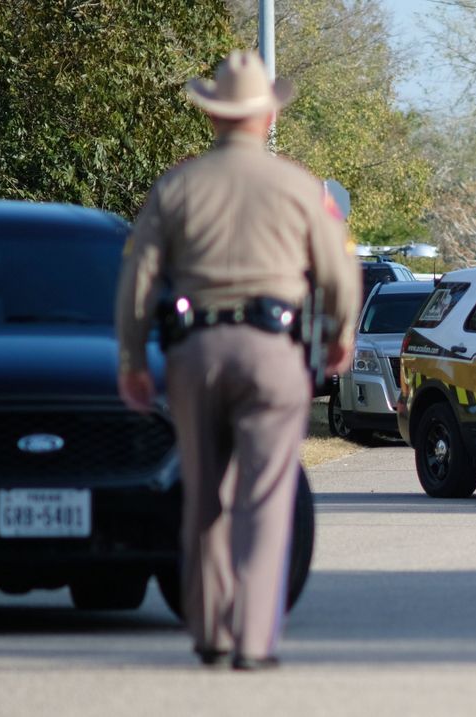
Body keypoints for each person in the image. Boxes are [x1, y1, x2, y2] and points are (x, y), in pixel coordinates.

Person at [114, 50, 360, 671]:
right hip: (274, 351)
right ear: (267, 114)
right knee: (266, 494)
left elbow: (139, 277)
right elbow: (338, 272)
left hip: (194, 351)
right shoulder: (299, 186)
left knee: (204, 493)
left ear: (214, 115)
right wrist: (339, 333)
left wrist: (131, 358)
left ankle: (210, 630)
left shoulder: (178, 184)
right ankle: (253, 641)